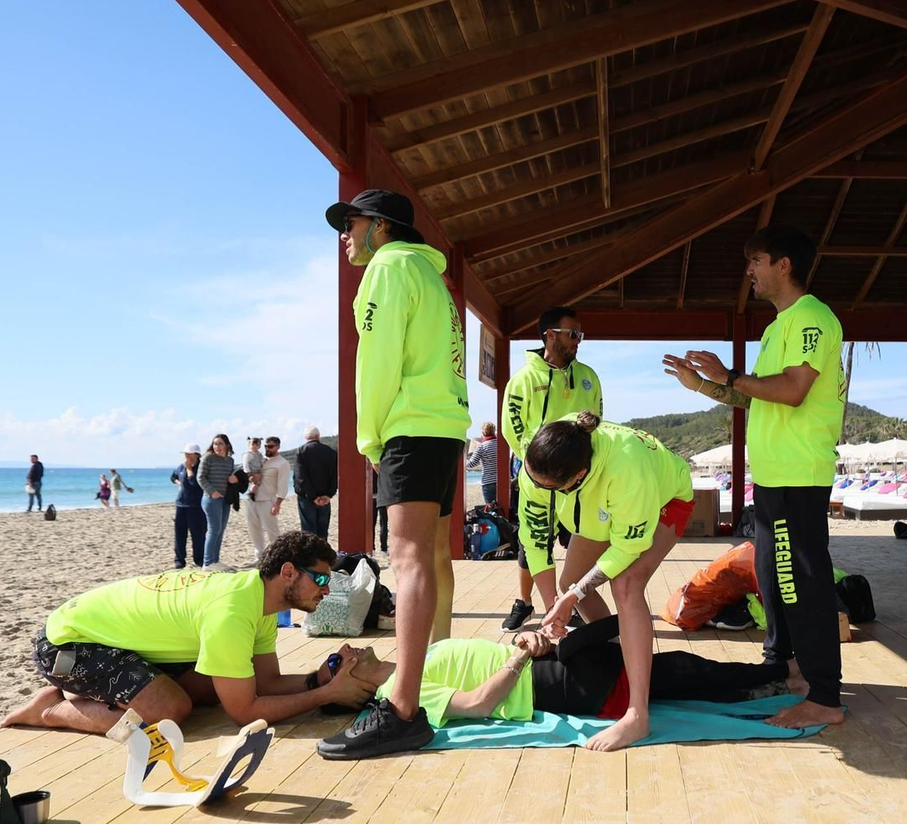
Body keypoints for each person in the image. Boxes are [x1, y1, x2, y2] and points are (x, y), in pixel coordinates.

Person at [664, 224, 847, 731]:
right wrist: (704, 385)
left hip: (797, 475)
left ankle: (825, 695)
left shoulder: (812, 317)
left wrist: (727, 375)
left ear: (783, 265)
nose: (750, 271)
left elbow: (791, 391)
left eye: (757, 261)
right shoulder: (777, 327)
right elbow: (752, 394)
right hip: (772, 479)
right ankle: (786, 670)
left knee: (799, 584)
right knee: (772, 578)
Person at [318, 189, 469, 760]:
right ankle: (412, 690)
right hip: (443, 425)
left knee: (407, 562)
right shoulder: (434, 279)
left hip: (410, 428)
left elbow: (375, 361)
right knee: (425, 560)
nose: (345, 236)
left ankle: (403, 707)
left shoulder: (386, 269)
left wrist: (367, 437)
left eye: (350, 224)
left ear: (379, 227)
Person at [1, 532, 379, 735]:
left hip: (110, 638)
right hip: (68, 643)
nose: (327, 590)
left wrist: (318, 677)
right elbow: (244, 714)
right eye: (321, 579)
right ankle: (51, 709)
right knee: (170, 712)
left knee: (213, 690)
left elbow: (267, 683)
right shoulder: (232, 611)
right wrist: (326, 694)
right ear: (288, 573)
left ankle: (87, 692)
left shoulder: (259, 599)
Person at [519, 413, 692, 751]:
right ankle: (618, 659)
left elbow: (629, 548)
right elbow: (535, 540)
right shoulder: (541, 464)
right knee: (570, 582)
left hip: (663, 499)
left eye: (545, 489)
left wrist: (574, 595)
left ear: (578, 476)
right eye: (532, 481)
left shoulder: (627, 466)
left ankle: (637, 715)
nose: (535, 490)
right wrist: (553, 605)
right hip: (602, 500)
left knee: (626, 585)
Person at [330, 616, 804, 730]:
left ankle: (772, 676)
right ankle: (779, 675)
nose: (346, 648)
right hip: (546, 686)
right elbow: (477, 705)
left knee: (669, 668)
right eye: (335, 661)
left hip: (541, 662)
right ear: (348, 684)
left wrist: (522, 641)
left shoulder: (409, 661)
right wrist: (520, 658)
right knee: (673, 669)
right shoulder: (397, 692)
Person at [501, 306, 603, 631]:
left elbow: (597, 425)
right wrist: (540, 468)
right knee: (531, 544)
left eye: (580, 335)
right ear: (549, 335)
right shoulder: (524, 378)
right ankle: (531, 604)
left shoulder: (588, 377)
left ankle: (569, 604)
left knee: (580, 543)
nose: (578, 341)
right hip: (539, 479)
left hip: (578, 483)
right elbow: (512, 428)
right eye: (573, 334)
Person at [244, 436, 289, 564]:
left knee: (272, 531)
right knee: (254, 530)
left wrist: (278, 503)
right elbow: (250, 473)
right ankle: (259, 557)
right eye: (266, 446)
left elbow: (283, 485)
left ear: (278, 447)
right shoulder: (261, 460)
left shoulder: (282, 463)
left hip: (268, 500)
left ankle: (278, 558)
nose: (267, 448)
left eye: (270, 446)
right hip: (252, 500)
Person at [293, 425, 338, 539]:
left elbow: (300, 477)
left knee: (308, 532)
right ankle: (322, 556)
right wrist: (329, 494)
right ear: (318, 436)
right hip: (325, 497)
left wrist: (312, 497)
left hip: (307, 498)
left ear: (306, 438)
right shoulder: (330, 452)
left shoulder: (301, 452)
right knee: (323, 532)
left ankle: (311, 556)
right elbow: (335, 475)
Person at [199, 433, 237, 568]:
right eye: (215, 444)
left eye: (220, 444)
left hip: (225, 500)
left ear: (226, 445)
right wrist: (212, 492)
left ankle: (215, 560)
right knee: (214, 530)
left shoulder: (230, 461)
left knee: (221, 530)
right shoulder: (208, 458)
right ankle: (207, 563)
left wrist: (234, 479)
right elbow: (200, 477)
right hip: (211, 500)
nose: (218, 447)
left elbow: (231, 478)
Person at [170, 443, 207, 568]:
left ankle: (199, 559)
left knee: (198, 534)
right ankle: (179, 559)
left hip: (196, 506)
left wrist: (189, 470)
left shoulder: (201, 467)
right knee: (180, 533)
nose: (186, 456)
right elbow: (173, 476)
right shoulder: (181, 467)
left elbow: (194, 484)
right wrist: (179, 483)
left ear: (196, 455)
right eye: (185, 454)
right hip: (181, 505)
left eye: (189, 454)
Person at [468, 422, 502, 508]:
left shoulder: (482, 446)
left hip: (488, 481)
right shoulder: (500, 444)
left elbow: (472, 463)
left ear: (483, 432)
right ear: (494, 431)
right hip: (501, 480)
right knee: (501, 507)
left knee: (490, 508)